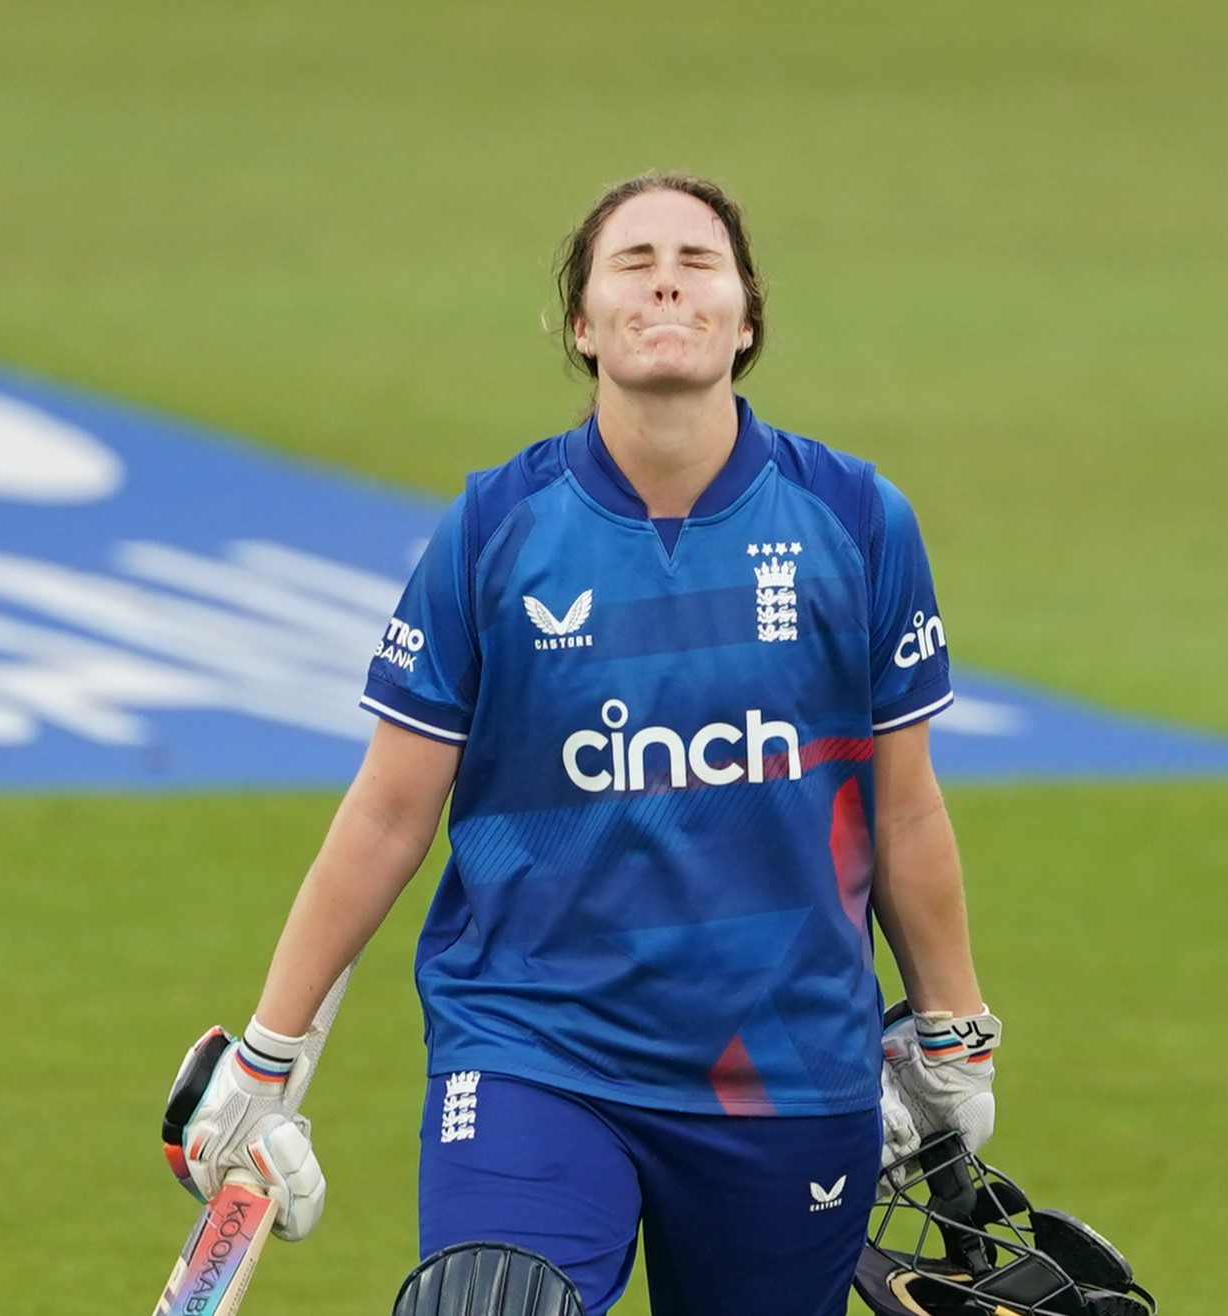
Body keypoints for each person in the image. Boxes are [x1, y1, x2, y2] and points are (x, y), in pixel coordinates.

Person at [162, 171, 1002, 1316]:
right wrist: (270, 1048)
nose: (666, 281)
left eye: (697, 261)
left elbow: (902, 809)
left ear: (745, 318)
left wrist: (951, 1028)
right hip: (534, 1047)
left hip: (785, 1069)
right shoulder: (494, 528)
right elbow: (389, 811)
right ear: (582, 323)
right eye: (632, 261)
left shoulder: (856, 521)